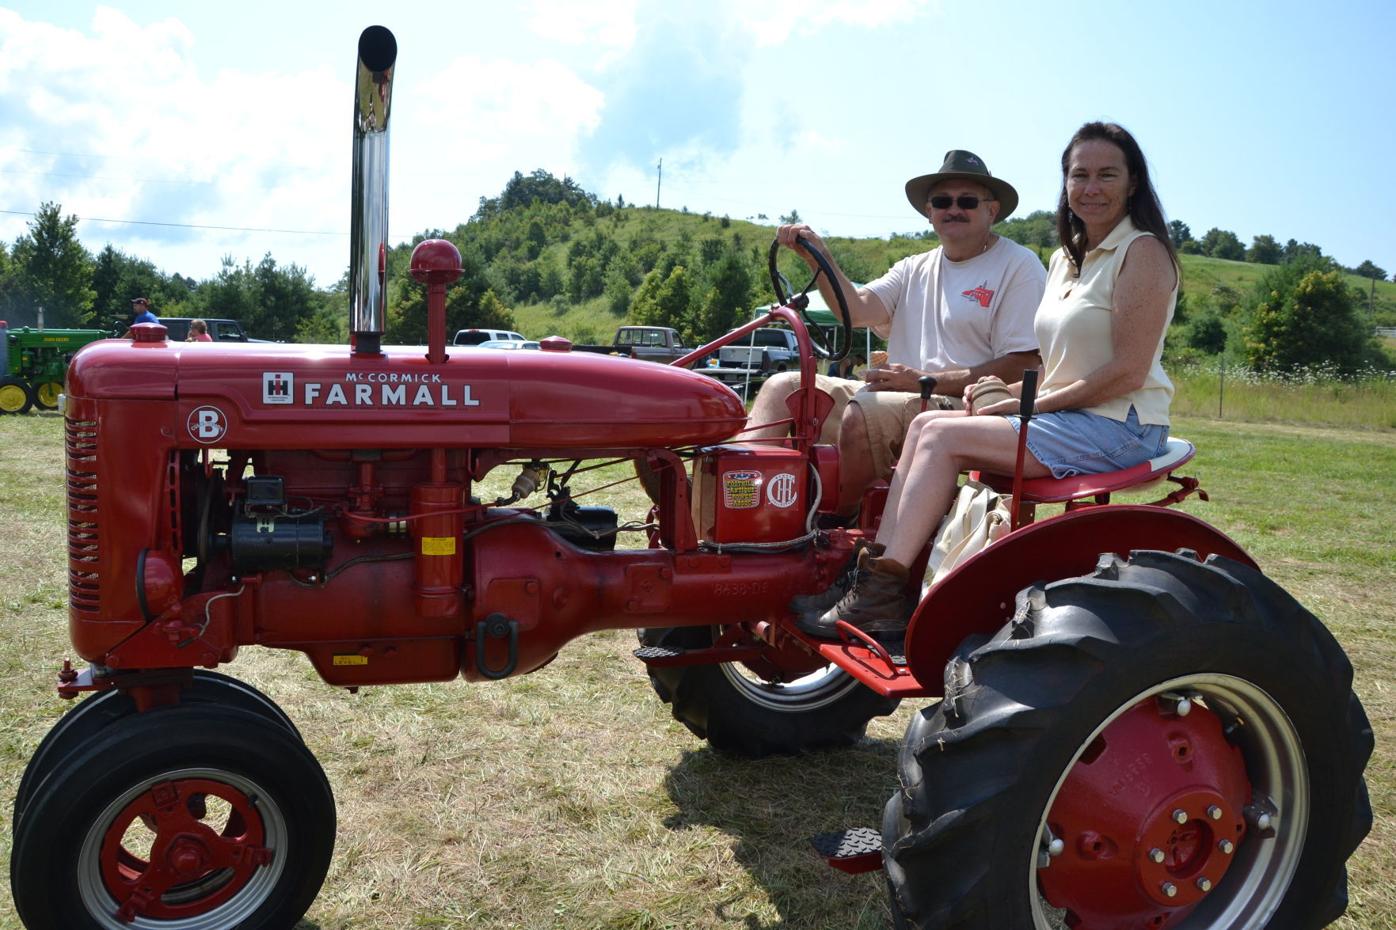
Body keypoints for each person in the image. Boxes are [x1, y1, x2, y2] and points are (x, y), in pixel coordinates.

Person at [801, 122, 1180, 642]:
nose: (1091, 188)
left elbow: (1127, 372)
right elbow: (1057, 364)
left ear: (1132, 182)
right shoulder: (1066, 260)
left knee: (940, 434)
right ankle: (873, 580)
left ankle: (882, 591)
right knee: (929, 425)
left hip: (1122, 425)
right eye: (1079, 175)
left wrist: (1030, 407)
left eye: (1106, 175)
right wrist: (1004, 394)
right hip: (1070, 418)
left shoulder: (1143, 252)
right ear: (1066, 183)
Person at [745, 150, 1046, 517]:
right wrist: (818, 258)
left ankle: (835, 526)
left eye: (967, 201)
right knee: (783, 387)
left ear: (991, 211)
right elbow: (855, 309)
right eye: (942, 201)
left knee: (865, 412)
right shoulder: (912, 268)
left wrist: (923, 381)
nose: (953, 209)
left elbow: (1022, 364)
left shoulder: (1019, 266)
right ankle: (739, 513)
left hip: (969, 406)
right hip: (901, 395)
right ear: (929, 212)